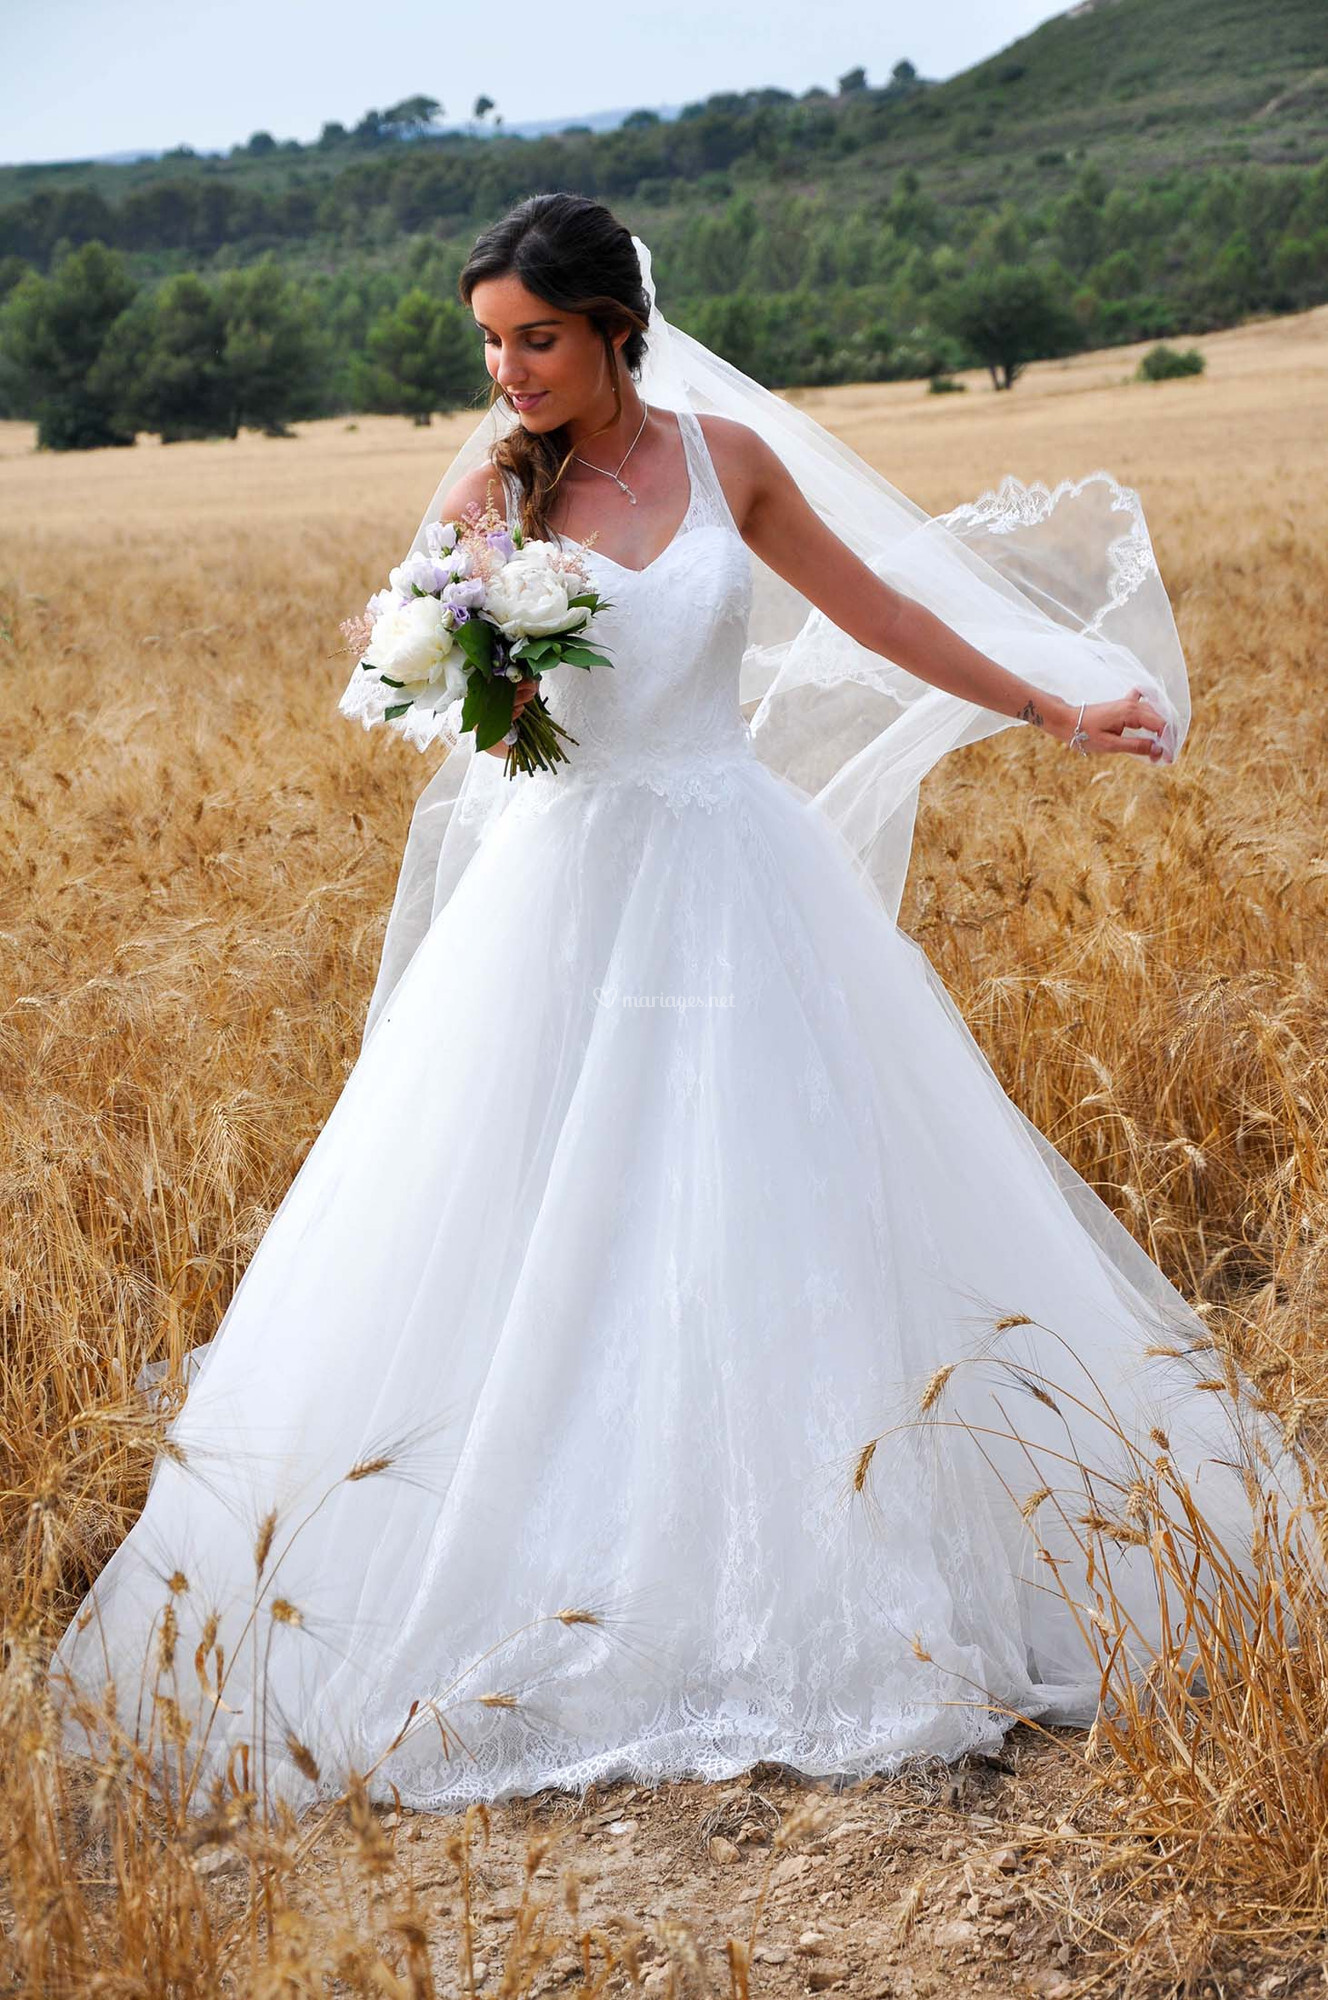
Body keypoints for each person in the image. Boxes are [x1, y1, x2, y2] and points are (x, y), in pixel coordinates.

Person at [51, 193, 1297, 1820]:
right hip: (565, 891)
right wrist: (455, 661)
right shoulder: (497, 484)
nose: (510, 369)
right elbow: (432, 677)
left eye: (538, 338)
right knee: (529, 1206)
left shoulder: (731, 463)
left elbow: (887, 614)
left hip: (733, 868)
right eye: (491, 341)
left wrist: (1056, 701)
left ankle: (829, 1560)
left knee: (777, 1196)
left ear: (617, 328)